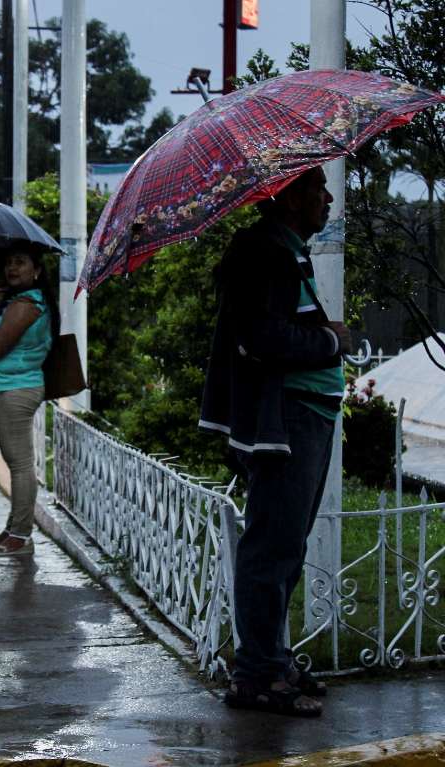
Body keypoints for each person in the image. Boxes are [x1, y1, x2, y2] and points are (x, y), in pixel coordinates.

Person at [199, 166, 353, 718]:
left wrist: (321, 338)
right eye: (316, 188)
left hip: (306, 414)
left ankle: (272, 660)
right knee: (271, 547)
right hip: (284, 422)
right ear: (289, 198)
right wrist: (328, 342)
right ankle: (256, 676)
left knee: (286, 548)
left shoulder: (284, 250)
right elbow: (259, 336)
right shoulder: (262, 252)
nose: (326, 198)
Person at [0, 247, 58, 557]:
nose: (12, 268)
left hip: (15, 389)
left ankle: (20, 535)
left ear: (37, 270)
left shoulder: (26, 304)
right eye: (8, 262)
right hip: (8, 387)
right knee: (17, 463)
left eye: (19, 261)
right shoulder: (20, 301)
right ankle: (12, 529)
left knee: (20, 466)